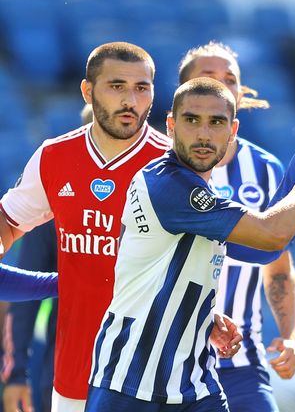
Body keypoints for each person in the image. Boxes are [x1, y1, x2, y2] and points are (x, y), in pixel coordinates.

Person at [85, 77, 295, 411]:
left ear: (233, 130)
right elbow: (271, 236)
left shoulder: (194, 192)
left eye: (216, 122)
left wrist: (202, 316)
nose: (203, 134)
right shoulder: (170, 186)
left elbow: (261, 251)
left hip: (193, 384)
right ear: (171, 125)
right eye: (191, 120)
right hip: (130, 382)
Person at [0, 42, 171, 412]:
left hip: (153, 375)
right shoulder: (53, 157)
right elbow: (8, 224)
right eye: (117, 86)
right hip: (74, 371)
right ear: (87, 91)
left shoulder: (172, 166)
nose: (131, 100)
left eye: (142, 88)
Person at [177, 41, 295, 412]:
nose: (221, 86)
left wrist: (290, 336)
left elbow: (277, 265)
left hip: (242, 365)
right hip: (167, 361)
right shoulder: (156, 166)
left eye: (230, 79)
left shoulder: (265, 169)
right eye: (208, 77)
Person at [3, 102, 95, 412]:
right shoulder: (52, 201)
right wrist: (17, 374)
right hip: (64, 371)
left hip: (149, 374)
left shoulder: (160, 196)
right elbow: (15, 291)